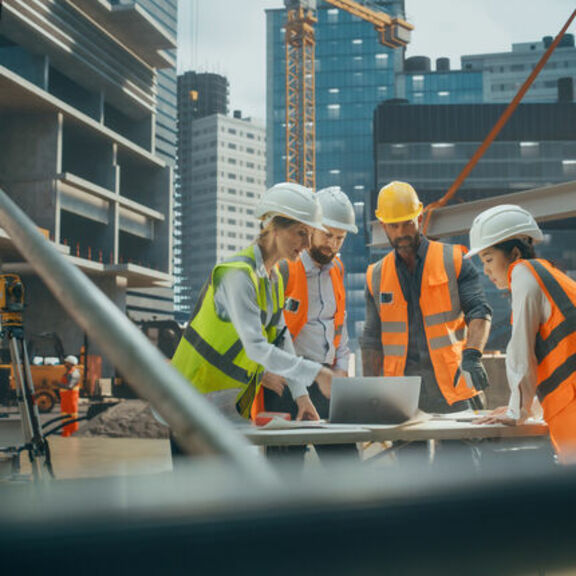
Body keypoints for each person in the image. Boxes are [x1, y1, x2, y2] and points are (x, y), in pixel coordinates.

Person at [171, 182, 334, 430]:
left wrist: (301, 396)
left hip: (226, 405)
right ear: (273, 228)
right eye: (302, 232)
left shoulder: (273, 279)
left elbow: (281, 339)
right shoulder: (237, 275)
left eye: (311, 234)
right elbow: (256, 348)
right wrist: (317, 374)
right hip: (190, 401)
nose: (308, 243)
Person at [361, 181, 493, 414]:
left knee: (462, 451)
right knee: (409, 453)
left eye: (407, 224)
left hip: (454, 385)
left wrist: (473, 355)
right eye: (394, 226)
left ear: (419, 219)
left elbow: (479, 311)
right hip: (401, 392)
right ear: (383, 226)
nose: (401, 233)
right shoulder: (376, 276)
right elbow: (371, 339)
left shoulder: (453, 261)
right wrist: (370, 393)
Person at [254, 186, 359, 462]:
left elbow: (340, 328)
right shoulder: (285, 268)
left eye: (340, 238)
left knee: (346, 463)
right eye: (328, 235)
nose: (333, 244)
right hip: (286, 381)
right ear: (310, 228)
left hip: (325, 379)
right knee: (285, 468)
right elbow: (264, 328)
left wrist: (341, 372)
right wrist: (260, 371)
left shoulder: (337, 268)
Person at [467, 204, 576, 465]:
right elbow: (558, 362)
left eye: (489, 259)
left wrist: (518, 410)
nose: (486, 271)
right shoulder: (547, 277)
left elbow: (521, 348)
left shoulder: (523, 272)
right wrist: (529, 407)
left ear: (515, 253)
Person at [58, 354, 81, 437]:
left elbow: (69, 386)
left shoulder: (74, 374)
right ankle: (66, 432)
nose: (65, 364)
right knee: (65, 416)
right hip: (66, 399)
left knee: (71, 416)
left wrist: (58, 384)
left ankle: (72, 433)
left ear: (70, 364)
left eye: (66, 363)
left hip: (71, 399)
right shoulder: (69, 373)